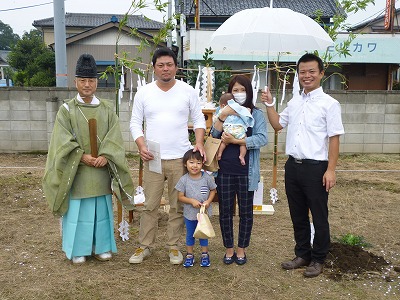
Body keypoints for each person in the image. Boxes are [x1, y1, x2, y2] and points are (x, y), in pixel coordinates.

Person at [42, 53, 135, 264]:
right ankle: (77, 249)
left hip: (101, 170)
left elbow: (114, 138)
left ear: (97, 82)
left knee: (101, 211)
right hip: (77, 171)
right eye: (82, 80)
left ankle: (100, 246)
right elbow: (61, 140)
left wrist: (105, 155)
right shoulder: (66, 110)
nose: (87, 85)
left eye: (91, 80)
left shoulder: (107, 109)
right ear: (75, 82)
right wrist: (80, 155)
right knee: (78, 213)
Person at [261, 53, 345, 278]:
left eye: (311, 72)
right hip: (293, 167)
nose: (306, 76)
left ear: (321, 74)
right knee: (297, 213)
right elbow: (278, 124)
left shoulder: (330, 104)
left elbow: (334, 137)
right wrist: (269, 104)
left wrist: (331, 169)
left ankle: (318, 258)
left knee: (319, 214)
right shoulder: (294, 101)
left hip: (317, 168)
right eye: (302, 72)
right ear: (298, 74)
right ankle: (302, 253)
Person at [129, 47, 206, 265]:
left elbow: (199, 120)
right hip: (152, 157)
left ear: (176, 67)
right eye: (161, 65)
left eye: (169, 64)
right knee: (150, 205)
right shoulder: (144, 92)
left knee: (176, 205)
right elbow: (135, 122)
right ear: (153, 68)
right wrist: (141, 145)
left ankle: (173, 246)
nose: (165, 69)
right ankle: (144, 246)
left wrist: (198, 142)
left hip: (180, 158)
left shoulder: (187, 91)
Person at [211, 75, 268, 265]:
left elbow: (261, 139)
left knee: (246, 212)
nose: (238, 94)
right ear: (229, 92)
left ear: (248, 92)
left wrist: (236, 141)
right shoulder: (222, 110)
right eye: (235, 90)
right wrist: (223, 115)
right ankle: (229, 248)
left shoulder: (257, 114)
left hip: (247, 172)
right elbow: (214, 135)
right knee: (225, 211)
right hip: (224, 170)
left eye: (242, 90)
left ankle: (241, 249)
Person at [175, 149, 217, 267]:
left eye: (198, 163)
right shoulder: (184, 180)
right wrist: (191, 201)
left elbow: (213, 190)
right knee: (190, 234)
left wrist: (208, 201)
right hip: (189, 214)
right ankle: (190, 255)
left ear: (202, 164)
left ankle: (205, 254)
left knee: (203, 234)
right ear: (185, 164)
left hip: (203, 214)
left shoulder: (206, 178)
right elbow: (180, 197)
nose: (195, 166)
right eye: (191, 162)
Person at [216, 92, 254, 165]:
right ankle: (242, 156)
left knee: (223, 142)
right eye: (236, 90)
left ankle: (219, 153)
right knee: (243, 143)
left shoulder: (223, 111)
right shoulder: (240, 109)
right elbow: (247, 112)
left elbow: (216, 120)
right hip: (239, 130)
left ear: (223, 105)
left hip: (228, 129)